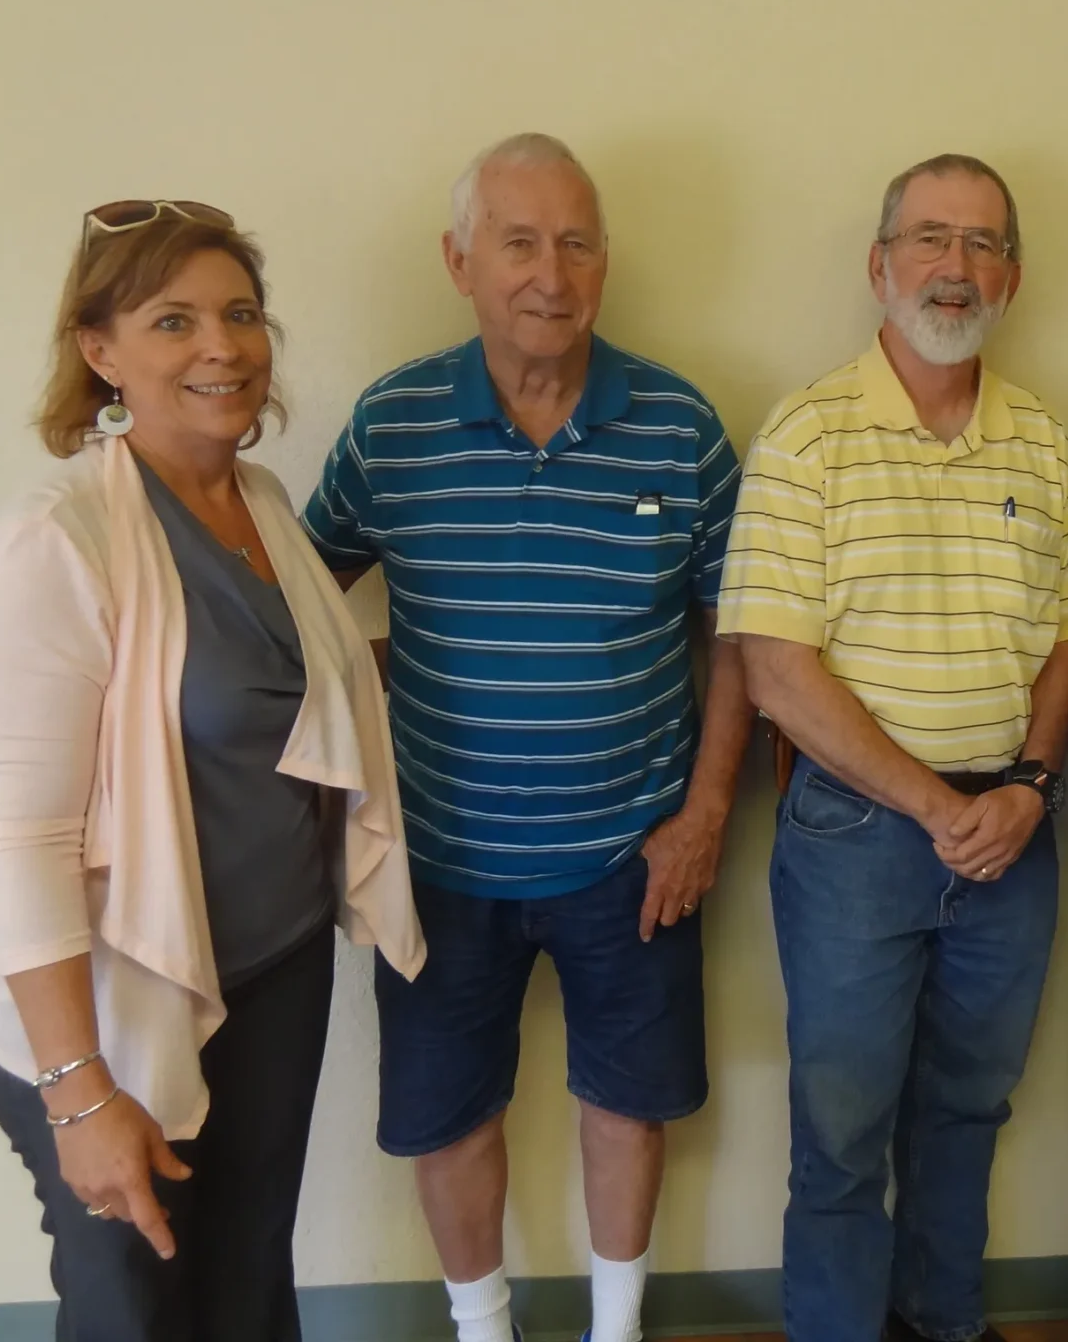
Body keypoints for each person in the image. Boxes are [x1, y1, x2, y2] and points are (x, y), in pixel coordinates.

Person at [301, 134, 752, 1342]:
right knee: (449, 1116)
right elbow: (299, 600)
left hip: (635, 854)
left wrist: (703, 813)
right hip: (442, 859)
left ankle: (616, 1332)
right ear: (459, 261)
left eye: (576, 241)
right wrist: (369, 688)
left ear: (605, 261)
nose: (550, 273)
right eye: (518, 242)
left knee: (628, 1103)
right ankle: (481, 1328)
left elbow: (745, 637)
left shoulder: (678, 426)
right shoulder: (392, 427)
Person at [0, 202, 423, 1341]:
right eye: (174, 320)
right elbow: (29, 846)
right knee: (135, 1303)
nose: (223, 346)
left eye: (240, 313)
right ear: (99, 350)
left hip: (272, 967)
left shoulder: (258, 505)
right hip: (109, 1006)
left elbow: (291, 689)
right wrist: (78, 1092)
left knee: (248, 1287)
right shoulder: (57, 540)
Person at [718, 153, 1068, 1342]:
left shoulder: (1043, 441)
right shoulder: (805, 435)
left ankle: (943, 1321)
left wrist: (1029, 786)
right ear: (879, 267)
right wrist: (936, 804)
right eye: (928, 238)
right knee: (840, 1129)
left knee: (967, 1113)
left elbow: (1060, 649)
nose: (953, 265)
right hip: (856, 837)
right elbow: (777, 671)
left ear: (1011, 277)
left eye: (980, 244)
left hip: (1012, 840)